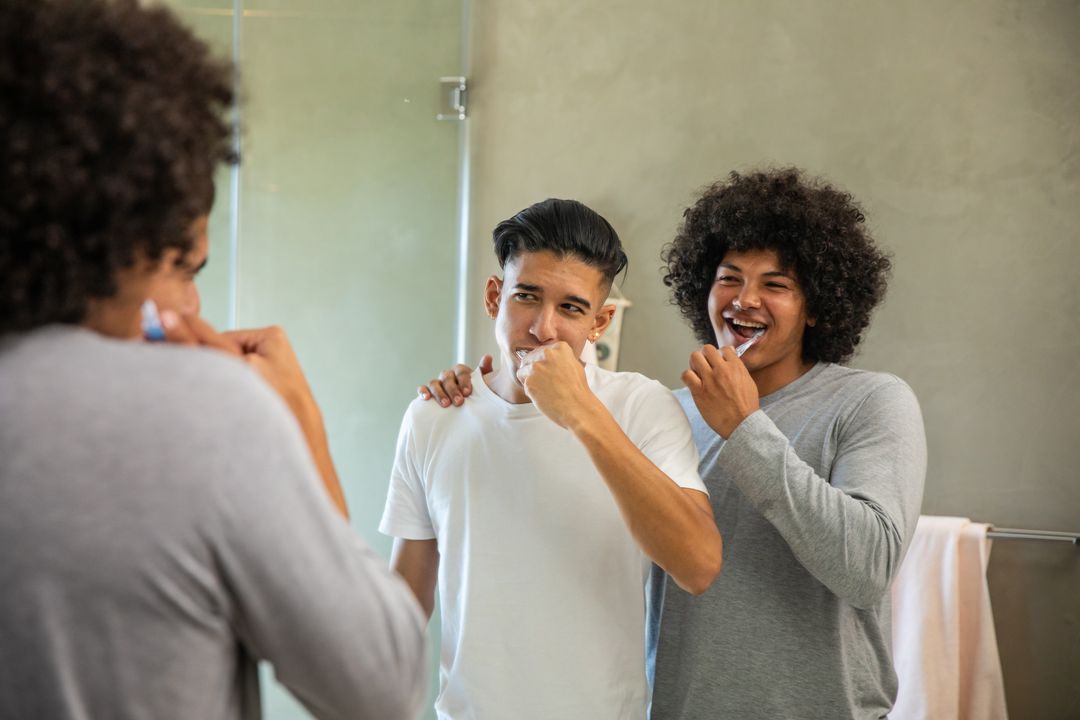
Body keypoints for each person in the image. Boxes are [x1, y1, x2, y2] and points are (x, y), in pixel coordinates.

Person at [0, 1, 425, 718]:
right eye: (179, 263)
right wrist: (295, 418)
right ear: (118, 237)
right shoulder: (203, 410)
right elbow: (383, 686)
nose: (192, 305)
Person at [423, 168, 927, 719]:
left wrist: (745, 428)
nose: (745, 300)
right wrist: (478, 394)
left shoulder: (871, 402)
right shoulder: (668, 410)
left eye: (775, 285)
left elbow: (867, 568)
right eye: (728, 278)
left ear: (817, 304)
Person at [381, 198, 723, 719]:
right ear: (495, 296)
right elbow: (405, 605)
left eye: (571, 308)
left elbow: (698, 566)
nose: (543, 328)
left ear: (600, 322)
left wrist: (582, 414)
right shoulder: (433, 416)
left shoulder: (640, 406)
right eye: (526, 297)